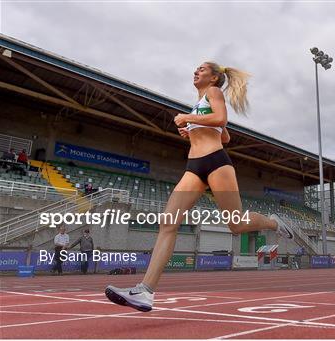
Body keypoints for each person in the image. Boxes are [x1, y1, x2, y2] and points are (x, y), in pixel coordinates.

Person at [105, 62, 295, 312]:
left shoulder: (213, 93)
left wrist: (189, 119)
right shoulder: (199, 103)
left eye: (202, 69)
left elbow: (221, 119)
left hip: (216, 163)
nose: (196, 71)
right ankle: (145, 291)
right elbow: (224, 134)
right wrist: (193, 131)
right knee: (168, 222)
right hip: (194, 167)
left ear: (214, 77)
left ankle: (273, 223)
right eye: (196, 69)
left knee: (235, 224)